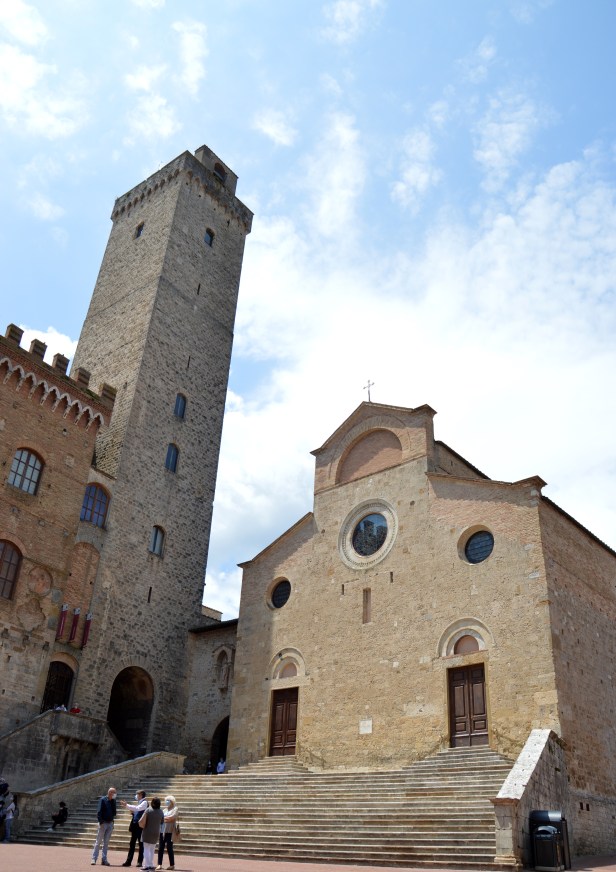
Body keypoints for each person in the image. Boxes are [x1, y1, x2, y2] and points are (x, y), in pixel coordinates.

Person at [121, 790, 147, 867]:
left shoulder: (144, 802)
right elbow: (137, 810)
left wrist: (127, 805)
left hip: (140, 826)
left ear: (141, 795)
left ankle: (140, 862)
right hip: (135, 826)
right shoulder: (140, 802)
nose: (136, 796)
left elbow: (138, 808)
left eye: (137, 794)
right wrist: (133, 813)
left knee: (141, 844)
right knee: (132, 844)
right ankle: (128, 861)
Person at [91, 786, 117, 866]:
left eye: (115, 793)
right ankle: (94, 859)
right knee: (98, 842)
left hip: (110, 823)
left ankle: (104, 859)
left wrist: (113, 802)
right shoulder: (103, 800)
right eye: (113, 792)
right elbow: (99, 811)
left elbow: (114, 812)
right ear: (109, 792)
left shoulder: (113, 801)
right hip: (103, 823)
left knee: (106, 843)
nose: (114, 794)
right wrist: (101, 822)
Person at [140, 796, 164, 872]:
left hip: (147, 831)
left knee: (146, 849)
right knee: (152, 849)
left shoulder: (148, 810)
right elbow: (162, 822)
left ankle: (147, 865)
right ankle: (151, 864)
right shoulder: (161, 811)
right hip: (156, 832)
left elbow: (142, 819)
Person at [156, 795, 178, 871]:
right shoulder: (164, 810)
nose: (167, 802)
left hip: (170, 831)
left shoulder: (175, 809)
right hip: (162, 831)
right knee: (160, 848)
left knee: (169, 848)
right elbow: (160, 819)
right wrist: (166, 819)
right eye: (166, 800)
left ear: (172, 801)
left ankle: (172, 864)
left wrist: (164, 819)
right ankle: (159, 864)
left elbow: (172, 818)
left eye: (168, 800)